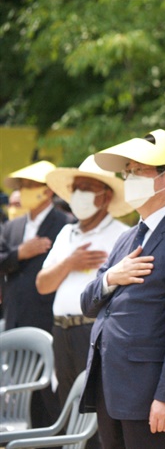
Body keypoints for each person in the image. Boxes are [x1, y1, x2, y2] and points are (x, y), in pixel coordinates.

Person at [78, 129, 165, 449]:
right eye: (127, 172)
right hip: (110, 388)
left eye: (138, 171)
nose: (129, 179)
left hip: (150, 394)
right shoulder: (128, 238)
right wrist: (112, 276)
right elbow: (88, 302)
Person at [36, 156, 131, 404]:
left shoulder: (121, 234)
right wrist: (70, 262)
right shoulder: (67, 232)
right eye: (75, 188)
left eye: (87, 189)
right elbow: (43, 285)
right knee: (68, 406)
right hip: (61, 330)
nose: (79, 195)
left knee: (98, 407)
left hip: (95, 331)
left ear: (106, 196)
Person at [0, 160, 72, 429]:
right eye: (23, 186)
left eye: (32, 186)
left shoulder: (65, 225)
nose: (26, 191)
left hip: (49, 322)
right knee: (22, 396)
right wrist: (21, 253)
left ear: (49, 190)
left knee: (52, 400)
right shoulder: (13, 227)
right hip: (16, 319)